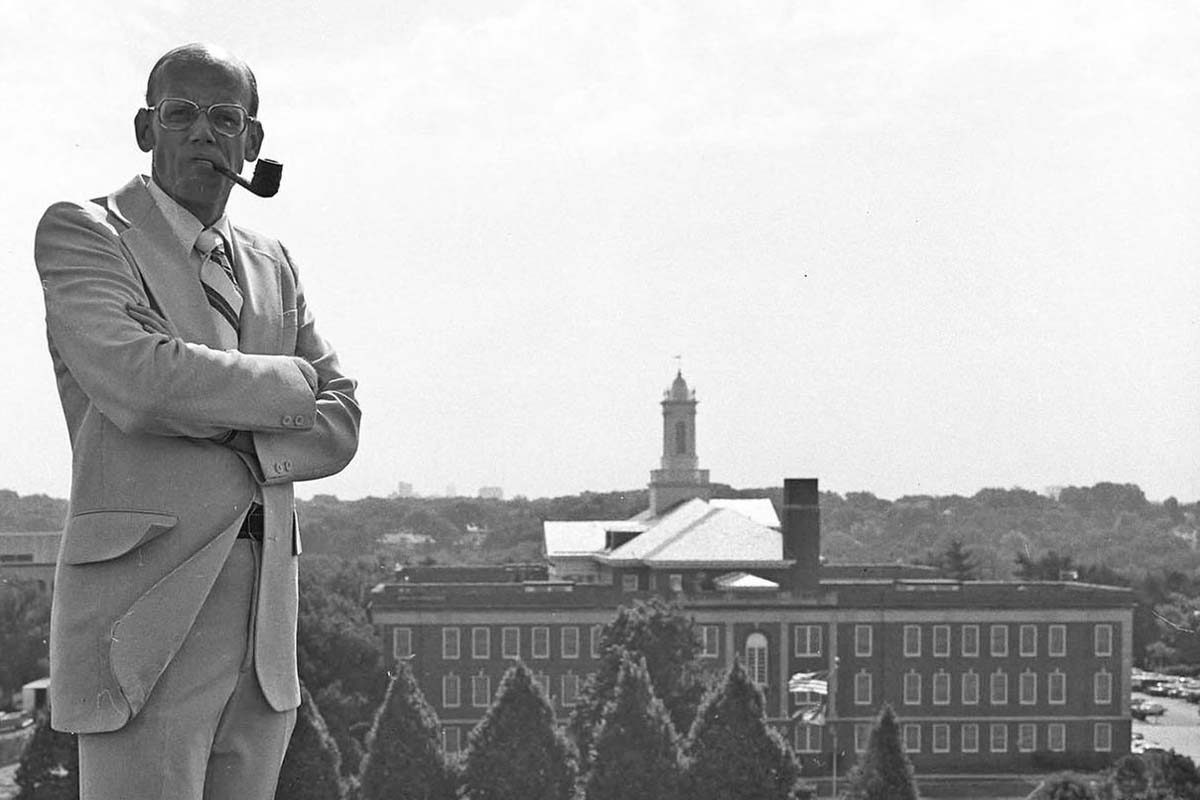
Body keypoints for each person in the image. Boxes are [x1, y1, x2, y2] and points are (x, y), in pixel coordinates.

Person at [33, 43, 361, 799]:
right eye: (180, 114)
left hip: (264, 637)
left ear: (254, 144)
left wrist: (205, 398)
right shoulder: (88, 234)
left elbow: (342, 424)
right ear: (146, 129)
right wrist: (287, 391)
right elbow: (138, 384)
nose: (202, 133)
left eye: (225, 118)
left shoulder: (274, 262)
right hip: (143, 624)